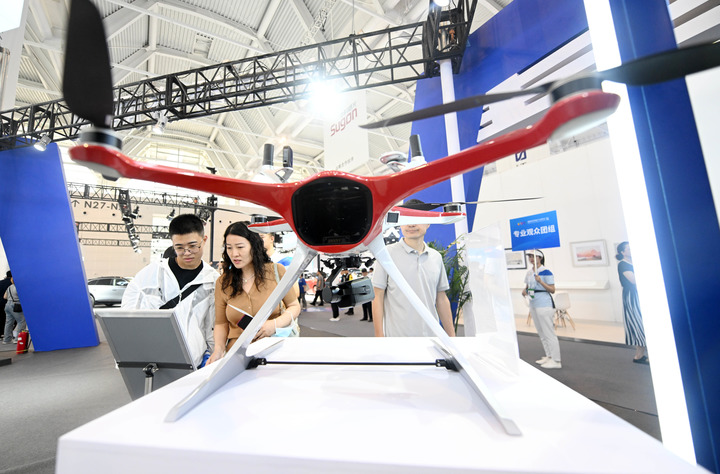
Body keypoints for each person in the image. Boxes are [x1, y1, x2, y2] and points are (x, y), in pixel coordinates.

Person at [122, 214, 219, 368]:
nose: (187, 252)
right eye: (179, 247)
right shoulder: (152, 273)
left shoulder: (213, 281)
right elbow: (130, 316)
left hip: (194, 361)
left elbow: (213, 324)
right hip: (153, 357)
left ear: (204, 240)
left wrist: (212, 355)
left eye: (193, 246)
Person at [208, 222, 300, 364]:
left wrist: (274, 324)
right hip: (238, 357)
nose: (234, 254)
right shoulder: (223, 282)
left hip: (273, 352)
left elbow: (294, 306)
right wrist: (218, 350)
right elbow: (221, 323)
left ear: (254, 246)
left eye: (240, 247)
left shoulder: (276, 271)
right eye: (229, 248)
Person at [372, 205, 455, 337]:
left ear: (428, 222)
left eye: (416, 219)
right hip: (398, 339)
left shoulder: (436, 257)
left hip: (432, 338)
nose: (411, 224)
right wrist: (379, 337)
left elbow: (441, 298)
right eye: (406, 219)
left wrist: (452, 337)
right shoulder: (386, 254)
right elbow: (378, 296)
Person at [522, 249, 561, 369]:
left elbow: (552, 290)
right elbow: (528, 286)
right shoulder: (529, 273)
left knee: (549, 332)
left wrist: (540, 281)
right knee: (541, 332)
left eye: (533, 256)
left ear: (540, 258)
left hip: (544, 304)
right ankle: (549, 356)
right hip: (533, 303)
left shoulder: (546, 272)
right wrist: (525, 290)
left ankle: (556, 360)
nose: (531, 259)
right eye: (529, 257)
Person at [616, 242, 648, 364]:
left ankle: (639, 356)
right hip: (632, 297)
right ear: (622, 252)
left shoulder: (633, 262)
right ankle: (638, 356)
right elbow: (634, 280)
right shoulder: (622, 264)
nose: (631, 250)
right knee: (638, 325)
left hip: (638, 295)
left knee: (641, 325)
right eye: (628, 249)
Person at [3, 273, 27, 344]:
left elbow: (5, 297)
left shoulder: (9, 287)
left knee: (8, 323)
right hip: (16, 305)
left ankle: (6, 340)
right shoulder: (19, 287)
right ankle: (17, 339)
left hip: (7, 305)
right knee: (21, 321)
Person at [0, 271, 12, 340]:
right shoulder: (12, 284)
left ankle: (1, 333)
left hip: (0, 304)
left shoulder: (1, 282)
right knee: (10, 320)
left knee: (1, 318)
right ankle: (7, 334)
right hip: (8, 303)